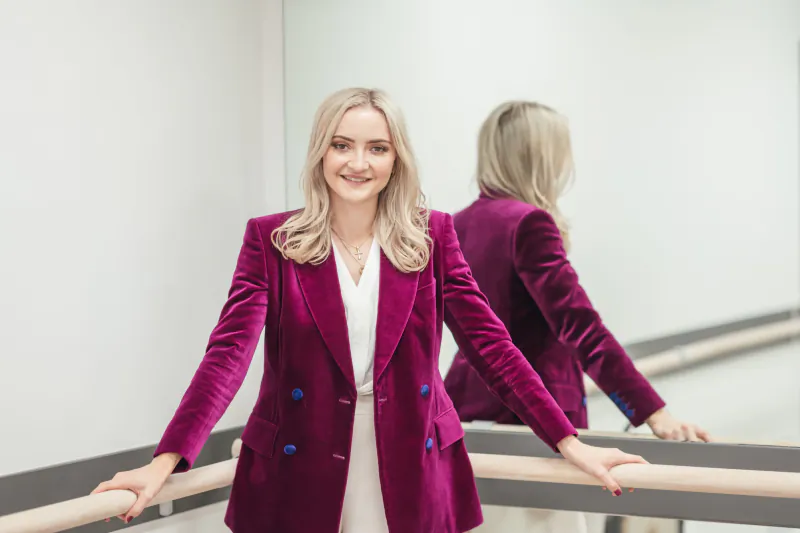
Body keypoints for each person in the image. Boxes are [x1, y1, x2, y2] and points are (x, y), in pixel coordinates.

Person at [92, 88, 647, 533]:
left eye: (377, 148)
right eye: (342, 145)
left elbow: (493, 349)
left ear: (396, 159)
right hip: (302, 462)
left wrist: (570, 444)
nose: (358, 163)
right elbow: (227, 359)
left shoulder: (431, 238)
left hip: (408, 462)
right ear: (321, 153)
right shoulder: (273, 241)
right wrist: (164, 461)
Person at [443, 100, 712, 531]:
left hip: (467, 419)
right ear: (542, 157)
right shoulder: (529, 223)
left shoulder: (454, 224)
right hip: (535, 424)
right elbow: (581, 328)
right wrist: (653, 413)